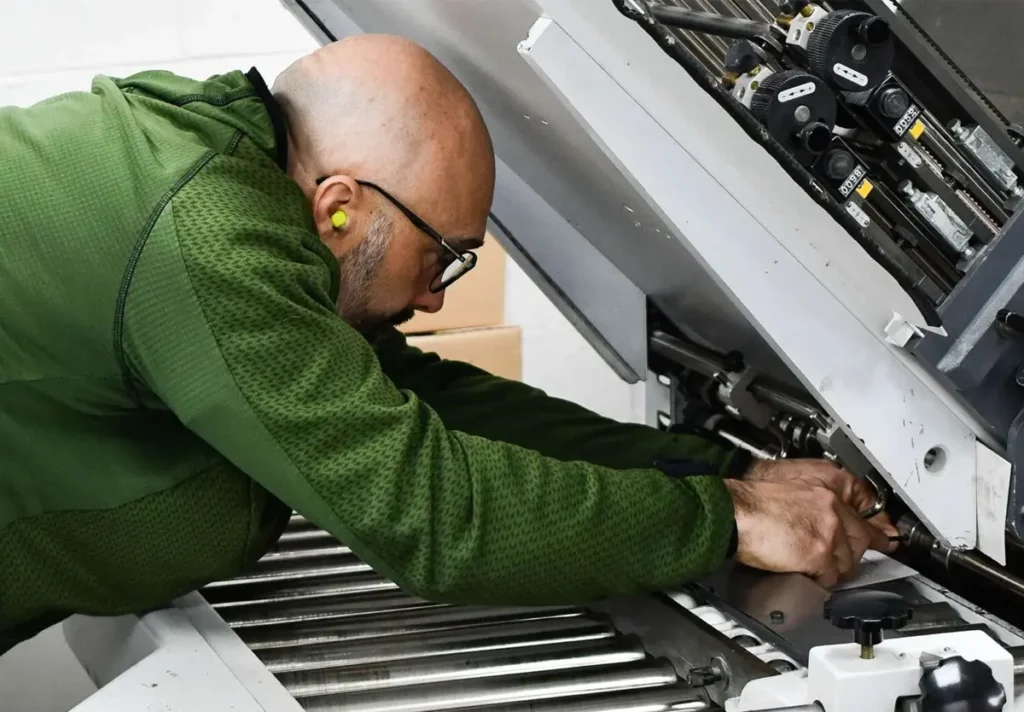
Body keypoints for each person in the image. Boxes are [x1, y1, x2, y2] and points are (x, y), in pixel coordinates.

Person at [0, 34, 896, 654]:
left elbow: (425, 398)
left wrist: (711, 471)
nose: (432, 296)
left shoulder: (228, 171)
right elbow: (433, 516)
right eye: (441, 256)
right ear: (339, 205)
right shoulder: (204, 234)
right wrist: (731, 520)